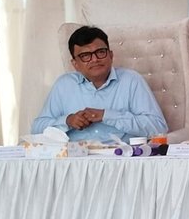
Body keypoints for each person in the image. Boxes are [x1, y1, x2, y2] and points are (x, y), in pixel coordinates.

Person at [31, 25, 168, 142]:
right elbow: (36, 129)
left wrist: (106, 116)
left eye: (100, 52)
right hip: (75, 157)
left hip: (121, 157)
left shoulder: (131, 80)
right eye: (85, 56)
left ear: (111, 55)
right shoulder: (64, 85)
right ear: (75, 64)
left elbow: (158, 127)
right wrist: (68, 121)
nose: (95, 59)